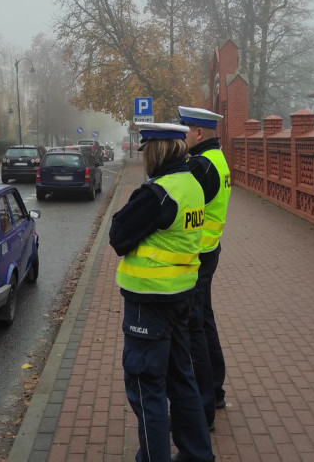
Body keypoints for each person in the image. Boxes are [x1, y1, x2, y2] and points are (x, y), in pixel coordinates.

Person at [109, 122, 214, 462]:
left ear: (155, 151)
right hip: (182, 295)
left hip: (148, 302)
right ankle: (198, 454)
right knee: (181, 379)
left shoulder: (158, 193)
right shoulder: (191, 184)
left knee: (146, 387)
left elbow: (118, 236)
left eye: (145, 152)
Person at [178, 106, 232, 425]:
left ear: (199, 133)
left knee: (194, 328)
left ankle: (202, 406)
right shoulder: (217, 158)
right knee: (205, 321)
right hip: (210, 250)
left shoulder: (200, 165)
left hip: (197, 255)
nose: (182, 133)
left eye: (185, 128)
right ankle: (215, 391)